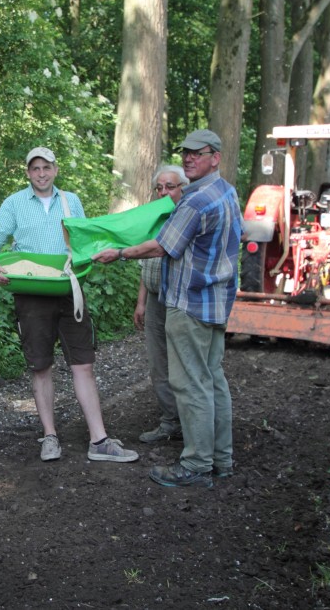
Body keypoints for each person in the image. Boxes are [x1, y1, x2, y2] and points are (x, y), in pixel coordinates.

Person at [95, 129, 242, 488]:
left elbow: (162, 246)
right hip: (216, 302)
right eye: (186, 153)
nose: (190, 158)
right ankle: (222, 460)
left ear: (215, 157)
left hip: (189, 305)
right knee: (213, 381)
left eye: (198, 153)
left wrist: (119, 253)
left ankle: (196, 465)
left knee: (191, 385)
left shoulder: (195, 201)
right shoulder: (227, 191)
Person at [0, 147, 139, 464]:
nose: (41, 173)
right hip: (31, 294)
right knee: (40, 366)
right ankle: (50, 436)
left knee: (83, 364)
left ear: (55, 169)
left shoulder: (71, 201)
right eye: (35, 168)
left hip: (69, 289)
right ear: (28, 172)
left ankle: (99, 440)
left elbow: (83, 240)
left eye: (46, 167)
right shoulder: (14, 203)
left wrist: (102, 251)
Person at [135, 166, 187, 444]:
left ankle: (191, 423)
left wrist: (119, 253)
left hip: (180, 299)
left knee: (182, 362)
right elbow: (146, 263)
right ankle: (170, 421)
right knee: (158, 362)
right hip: (155, 298)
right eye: (159, 187)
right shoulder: (153, 217)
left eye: (170, 186)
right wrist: (141, 301)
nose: (164, 192)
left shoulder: (187, 215)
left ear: (182, 188)